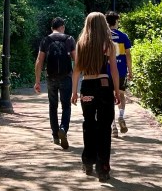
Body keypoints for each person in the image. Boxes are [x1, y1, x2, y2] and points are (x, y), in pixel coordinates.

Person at [71, 12, 120, 181]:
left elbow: (76, 70)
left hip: (87, 87)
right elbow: (113, 70)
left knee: (89, 123)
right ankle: (103, 168)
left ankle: (88, 161)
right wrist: (117, 91)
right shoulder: (109, 44)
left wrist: (74, 92)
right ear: (103, 25)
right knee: (105, 127)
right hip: (104, 86)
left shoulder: (81, 44)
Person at [34, 17, 76, 149]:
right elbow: (77, 61)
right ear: (62, 27)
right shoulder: (69, 39)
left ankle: (55, 136)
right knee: (66, 106)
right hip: (66, 77)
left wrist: (37, 81)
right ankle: (63, 128)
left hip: (51, 77)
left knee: (53, 106)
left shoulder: (46, 40)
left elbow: (39, 61)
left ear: (52, 28)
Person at [105, 10, 132, 137]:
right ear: (115, 21)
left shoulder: (104, 37)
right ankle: (121, 116)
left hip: (106, 72)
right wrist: (130, 71)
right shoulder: (123, 36)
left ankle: (113, 126)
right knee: (121, 95)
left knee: (109, 98)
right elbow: (128, 55)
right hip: (121, 71)